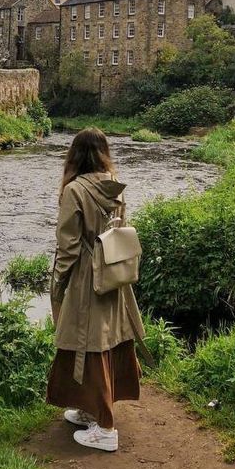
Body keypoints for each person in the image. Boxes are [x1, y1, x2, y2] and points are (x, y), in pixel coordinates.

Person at [46, 127, 145, 452]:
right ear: (103, 153)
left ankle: (105, 428)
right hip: (112, 276)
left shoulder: (75, 190)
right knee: (107, 339)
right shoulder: (113, 186)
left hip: (87, 279)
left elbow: (69, 246)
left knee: (88, 343)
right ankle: (91, 410)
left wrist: (58, 284)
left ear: (74, 155)